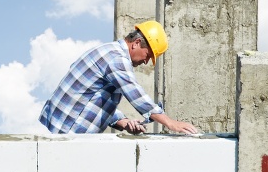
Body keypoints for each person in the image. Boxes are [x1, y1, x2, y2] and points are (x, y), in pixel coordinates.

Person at [39, 20, 198, 135]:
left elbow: (93, 100)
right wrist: (170, 123)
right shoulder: (117, 59)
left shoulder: (108, 51)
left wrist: (123, 122)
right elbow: (135, 94)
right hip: (68, 133)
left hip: (63, 129)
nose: (146, 61)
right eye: (148, 55)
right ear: (136, 43)